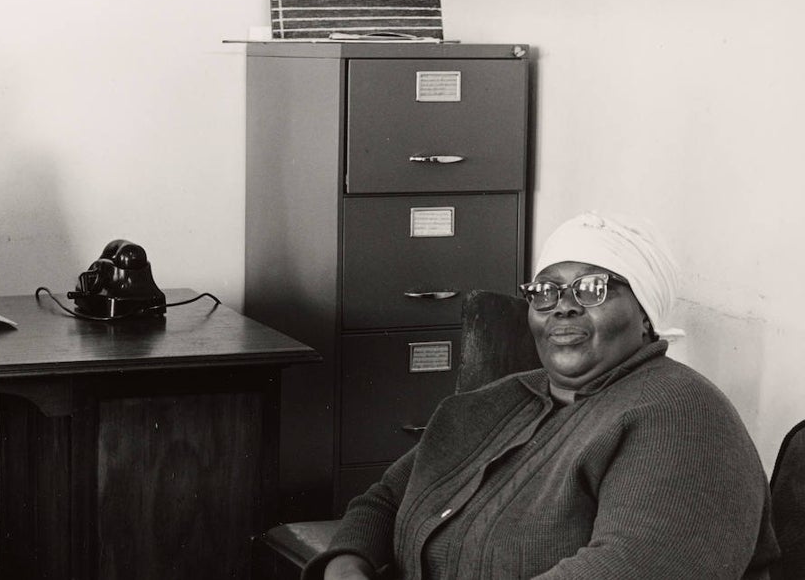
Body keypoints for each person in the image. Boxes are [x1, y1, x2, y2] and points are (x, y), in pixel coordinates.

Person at [307, 212, 779, 580]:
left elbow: (634, 567)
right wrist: (347, 564)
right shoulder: (494, 403)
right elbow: (387, 499)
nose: (564, 306)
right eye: (545, 291)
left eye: (592, 289)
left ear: (645, 315)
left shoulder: (682, 414)